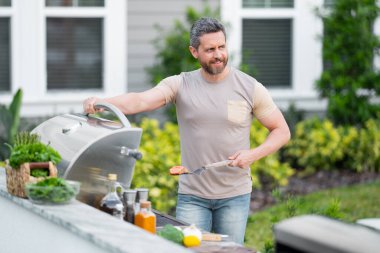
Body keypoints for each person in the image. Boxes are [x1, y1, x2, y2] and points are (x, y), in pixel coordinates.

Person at [83, 17, 290, 244]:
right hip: (193, 197)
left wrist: (253, 154)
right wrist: (102, 103)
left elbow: (281, 130)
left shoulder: (250, 87)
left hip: (235, 195)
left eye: (221, 47)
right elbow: (140, 101)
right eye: (210, 49)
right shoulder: (180, 85)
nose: (218, 54)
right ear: (194, 51)